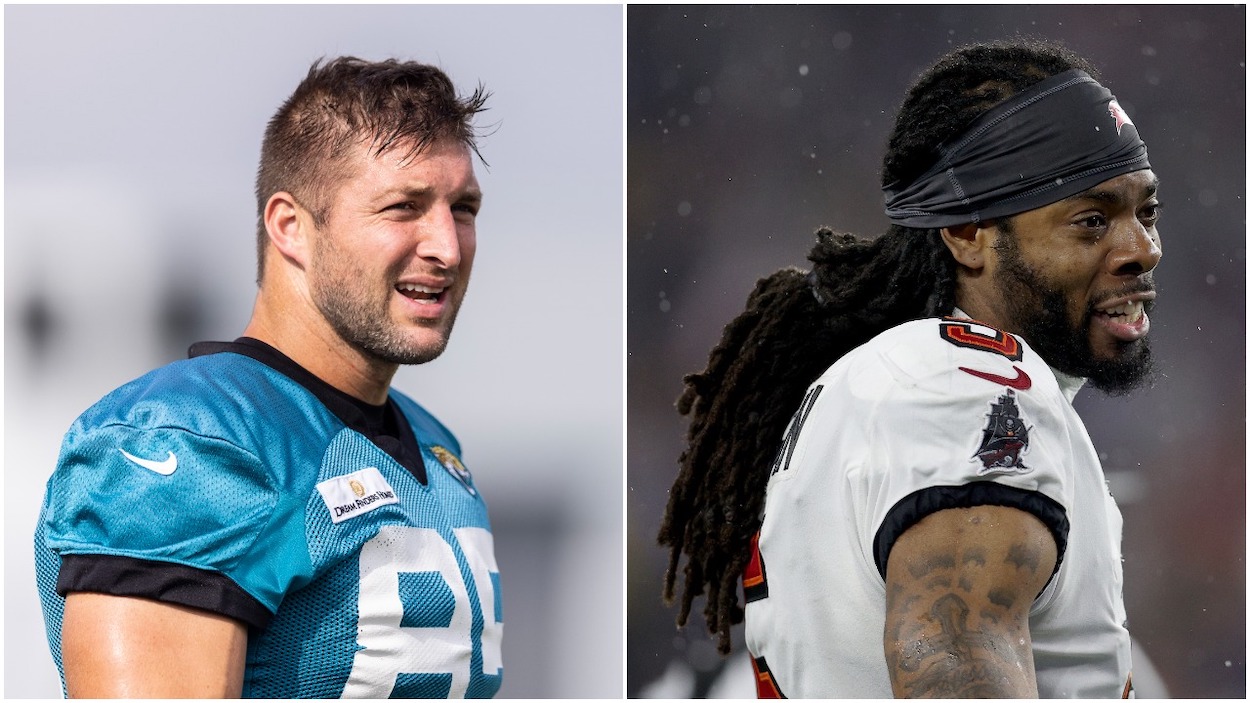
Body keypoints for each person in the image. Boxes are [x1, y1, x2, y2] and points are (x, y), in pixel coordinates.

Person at [658, 39, 1160, 698]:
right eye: (1091, 220)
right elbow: (954, 665)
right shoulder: (966, 386)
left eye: (1145, 212)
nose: (1142, 250)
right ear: (967, 232)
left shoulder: (906, 379)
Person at [34, 57, 503, 698]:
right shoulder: (196, 439)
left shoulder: (433, 444)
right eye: (403, 207)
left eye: (464, 208)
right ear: (291, 227)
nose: (447, 246)